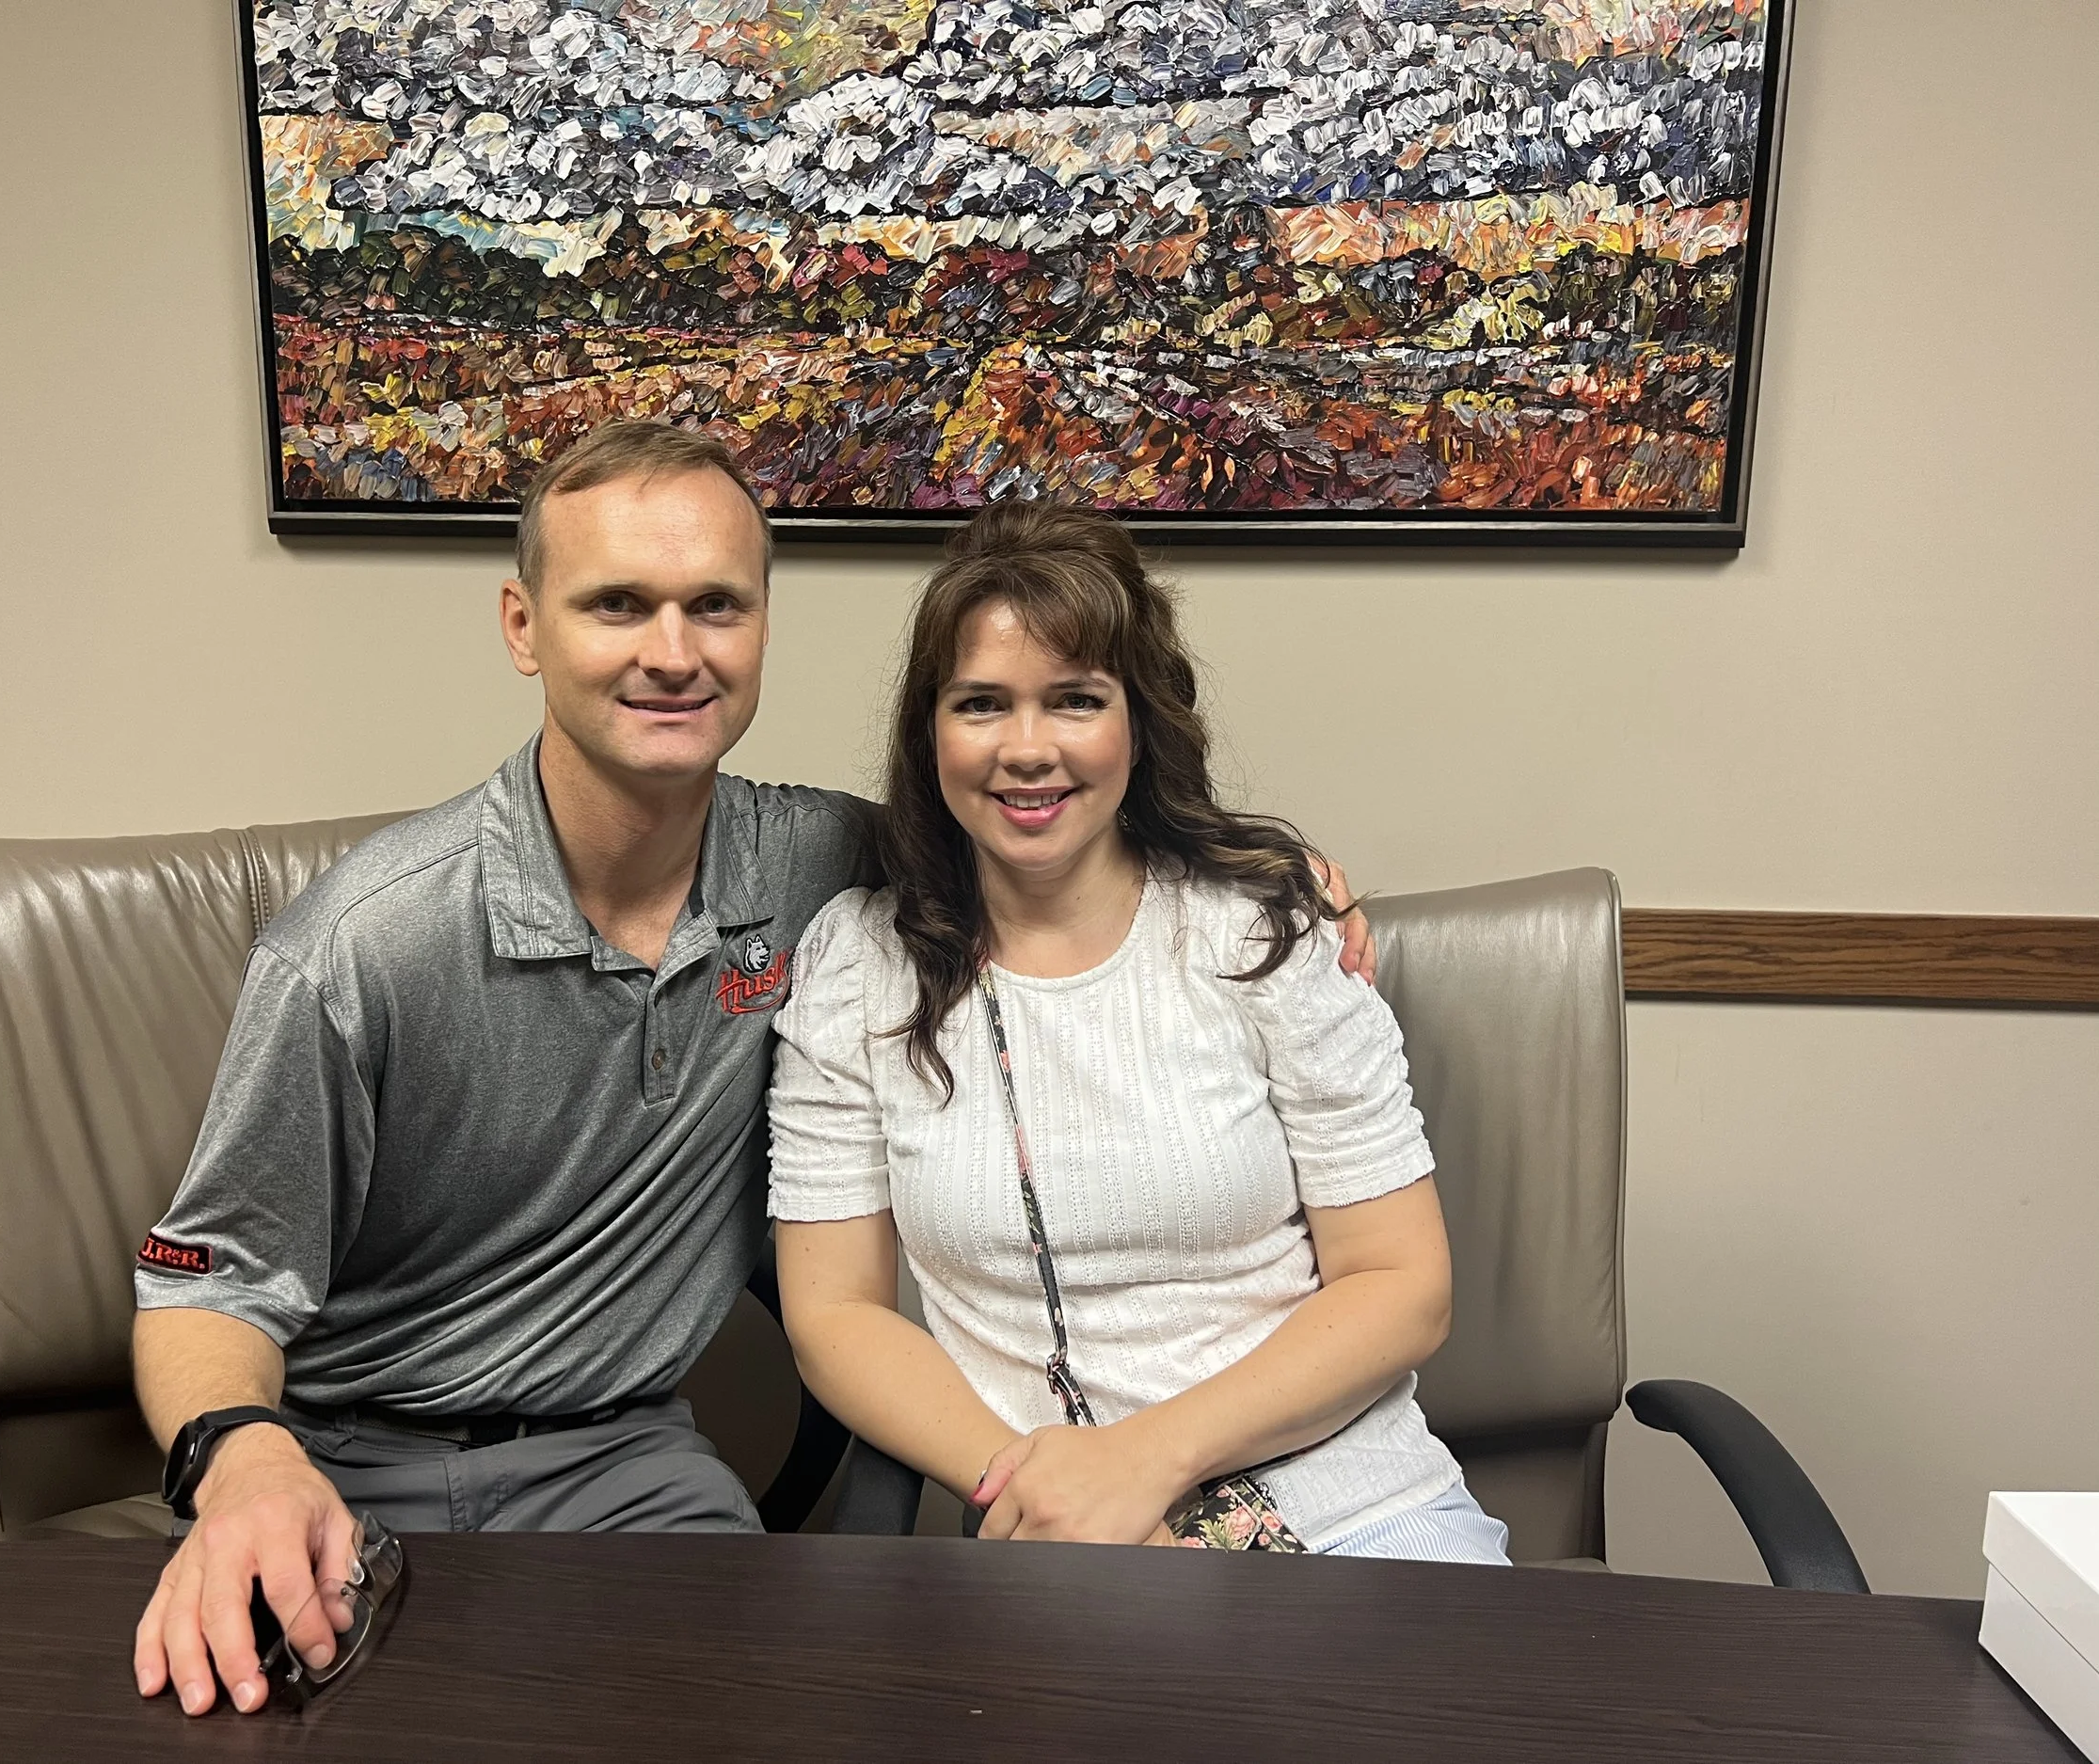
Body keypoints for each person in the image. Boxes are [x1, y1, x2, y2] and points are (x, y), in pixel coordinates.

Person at [127, 418, 1390, 1715]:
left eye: (715, 605)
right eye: (618, 604)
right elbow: (202, 1287)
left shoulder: (821, 875)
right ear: (523, 625)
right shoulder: (362, 943)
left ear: (763, 628)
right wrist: (247, 1464)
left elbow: (1042, 821)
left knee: (765, 1711)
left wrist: (1265, 871)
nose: (674, 652)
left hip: (622, 1459)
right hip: (338, 1455)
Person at [769, 501, 1509, 1562]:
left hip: (1355, 1509)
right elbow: (836, 1314)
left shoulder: (1261, 929)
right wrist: (1044, 1495)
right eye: (981, 704)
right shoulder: (856, 966)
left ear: (1138, 722)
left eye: (1076, 699)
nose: (1028, 749)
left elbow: (1401, 1284)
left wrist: (1144, 1462)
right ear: (930, 732)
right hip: (1052, 1538)